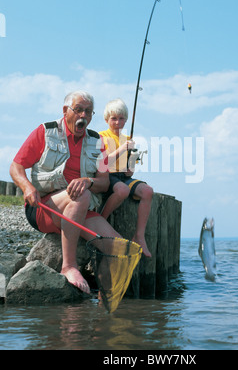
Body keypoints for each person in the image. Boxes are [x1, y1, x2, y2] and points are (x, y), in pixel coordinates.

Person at [9, 90, 123, 294]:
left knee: (118, 249)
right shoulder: (45, 131)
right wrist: (27, 187)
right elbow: (16, 166)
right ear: (65, 111)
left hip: (81, 210)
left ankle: (103, 293)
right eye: (78, 110)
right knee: (82, 196)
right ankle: (69, 266)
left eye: (88, 112)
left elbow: (104, 183)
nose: (83, 116)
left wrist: (88, 181)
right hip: (43, 208)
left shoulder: (98, 142)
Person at [99, 98, 153, 258]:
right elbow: (104, 161)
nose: (117, 122)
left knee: (148, 191)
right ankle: (101, 220)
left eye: (121, 118)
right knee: (122, 191)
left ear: (126, 119)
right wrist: (123, 149)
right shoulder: (101, 137)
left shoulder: (128, 140)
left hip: (123, 176)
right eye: (114, 118)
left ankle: (139, 236)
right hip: (108, 175)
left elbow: (129, 173)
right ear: (107, 120)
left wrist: (132, 160)